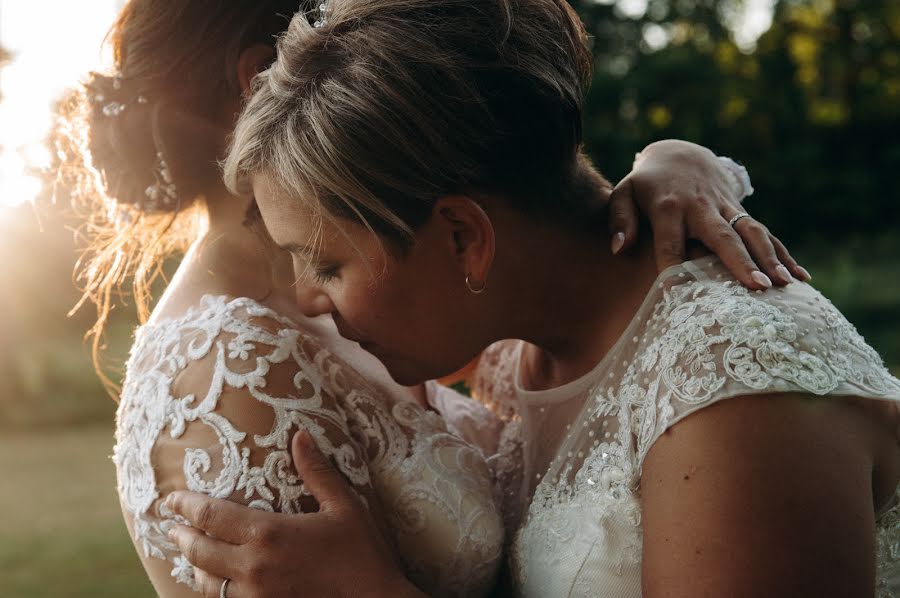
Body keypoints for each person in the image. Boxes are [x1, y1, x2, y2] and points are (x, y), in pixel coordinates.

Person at [167, 1, 900, 597]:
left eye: (326, 263)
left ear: (463, 238)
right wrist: (669, 154)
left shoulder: (737, 395)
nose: (307, 298)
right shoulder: (514, 355)